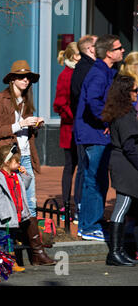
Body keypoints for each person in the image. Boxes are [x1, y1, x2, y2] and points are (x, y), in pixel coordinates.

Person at [0, 60, 55, 265]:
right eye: (20, 76)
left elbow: (25, 134)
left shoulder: (27, 100)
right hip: (9, 160)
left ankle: (37, 253)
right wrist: (21, 123)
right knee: (10, 205)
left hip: (25, 156)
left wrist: (36, 125)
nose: (25, 80)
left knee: (30, 204)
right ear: (12, 79)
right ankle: (7, 253)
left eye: (28, 77)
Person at [74, 34, 124, 241]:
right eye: (119, 48)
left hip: (94, 133)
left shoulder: (106, 71)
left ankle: (90, 223)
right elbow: (93, 101)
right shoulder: (98, 73)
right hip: (94, 134)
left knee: (96, 179)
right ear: (109, 52)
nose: (123, 50)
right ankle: (89, 226)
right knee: (95, 180)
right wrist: (106, 122)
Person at [101, 75, 138, 266]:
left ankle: (120, 250)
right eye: (135, 90)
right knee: (121, 207)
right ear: (125, 92)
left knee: (125, 207)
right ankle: (114, 253)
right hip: (125, 165)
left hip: (124, 163)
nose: (137, 94)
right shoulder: (124, 115)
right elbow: (130, 145)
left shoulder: (124, 112)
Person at [0, 144, 32, 272]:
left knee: (10, 240)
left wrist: (25, 175)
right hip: (4, 218)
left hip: (14, 215)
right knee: (3, 240)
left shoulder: (16, 176)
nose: (19, 164)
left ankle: (9, 262)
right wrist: (5, 215)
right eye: (16, 161)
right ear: (7, 162)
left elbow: (24, 187)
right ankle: (1, 263)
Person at [70, 34, 98, 227]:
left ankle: (84, 212)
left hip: (87, 128)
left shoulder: (88, 68)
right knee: (87, 171)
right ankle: (84, 214)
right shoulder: (86, 70)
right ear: (90, 49)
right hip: (88, 128)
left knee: (87, 170)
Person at [53, 42, 81, 220]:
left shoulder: (80, 72)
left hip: (78, 127)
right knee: (70, 166)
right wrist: (74, 116)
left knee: (80, 167)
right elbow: (59, 103)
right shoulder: (66, 75)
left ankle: (76, 205)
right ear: (72, 57)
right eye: (79, 54)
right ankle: (66, 206)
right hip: (70, 129)